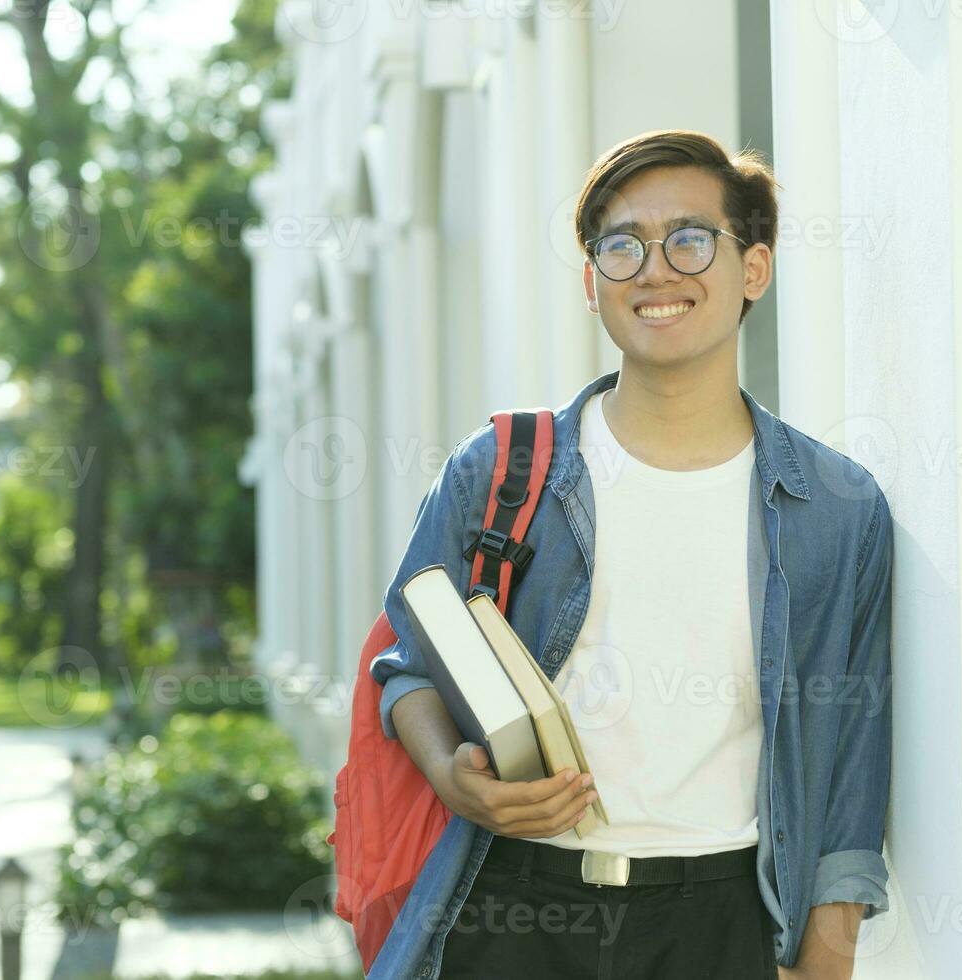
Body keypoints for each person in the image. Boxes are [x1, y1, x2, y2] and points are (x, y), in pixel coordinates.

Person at [371, 129, 893, 980]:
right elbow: (407, 664)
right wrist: (450, 772)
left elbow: (852, 767)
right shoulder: (502, 471)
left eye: (691, 240)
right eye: (623, 247)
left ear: (752, 270)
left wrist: (825, 962)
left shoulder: (837, 509)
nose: (655, 270)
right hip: (510, 913)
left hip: (722, 925)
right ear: (591, 283)